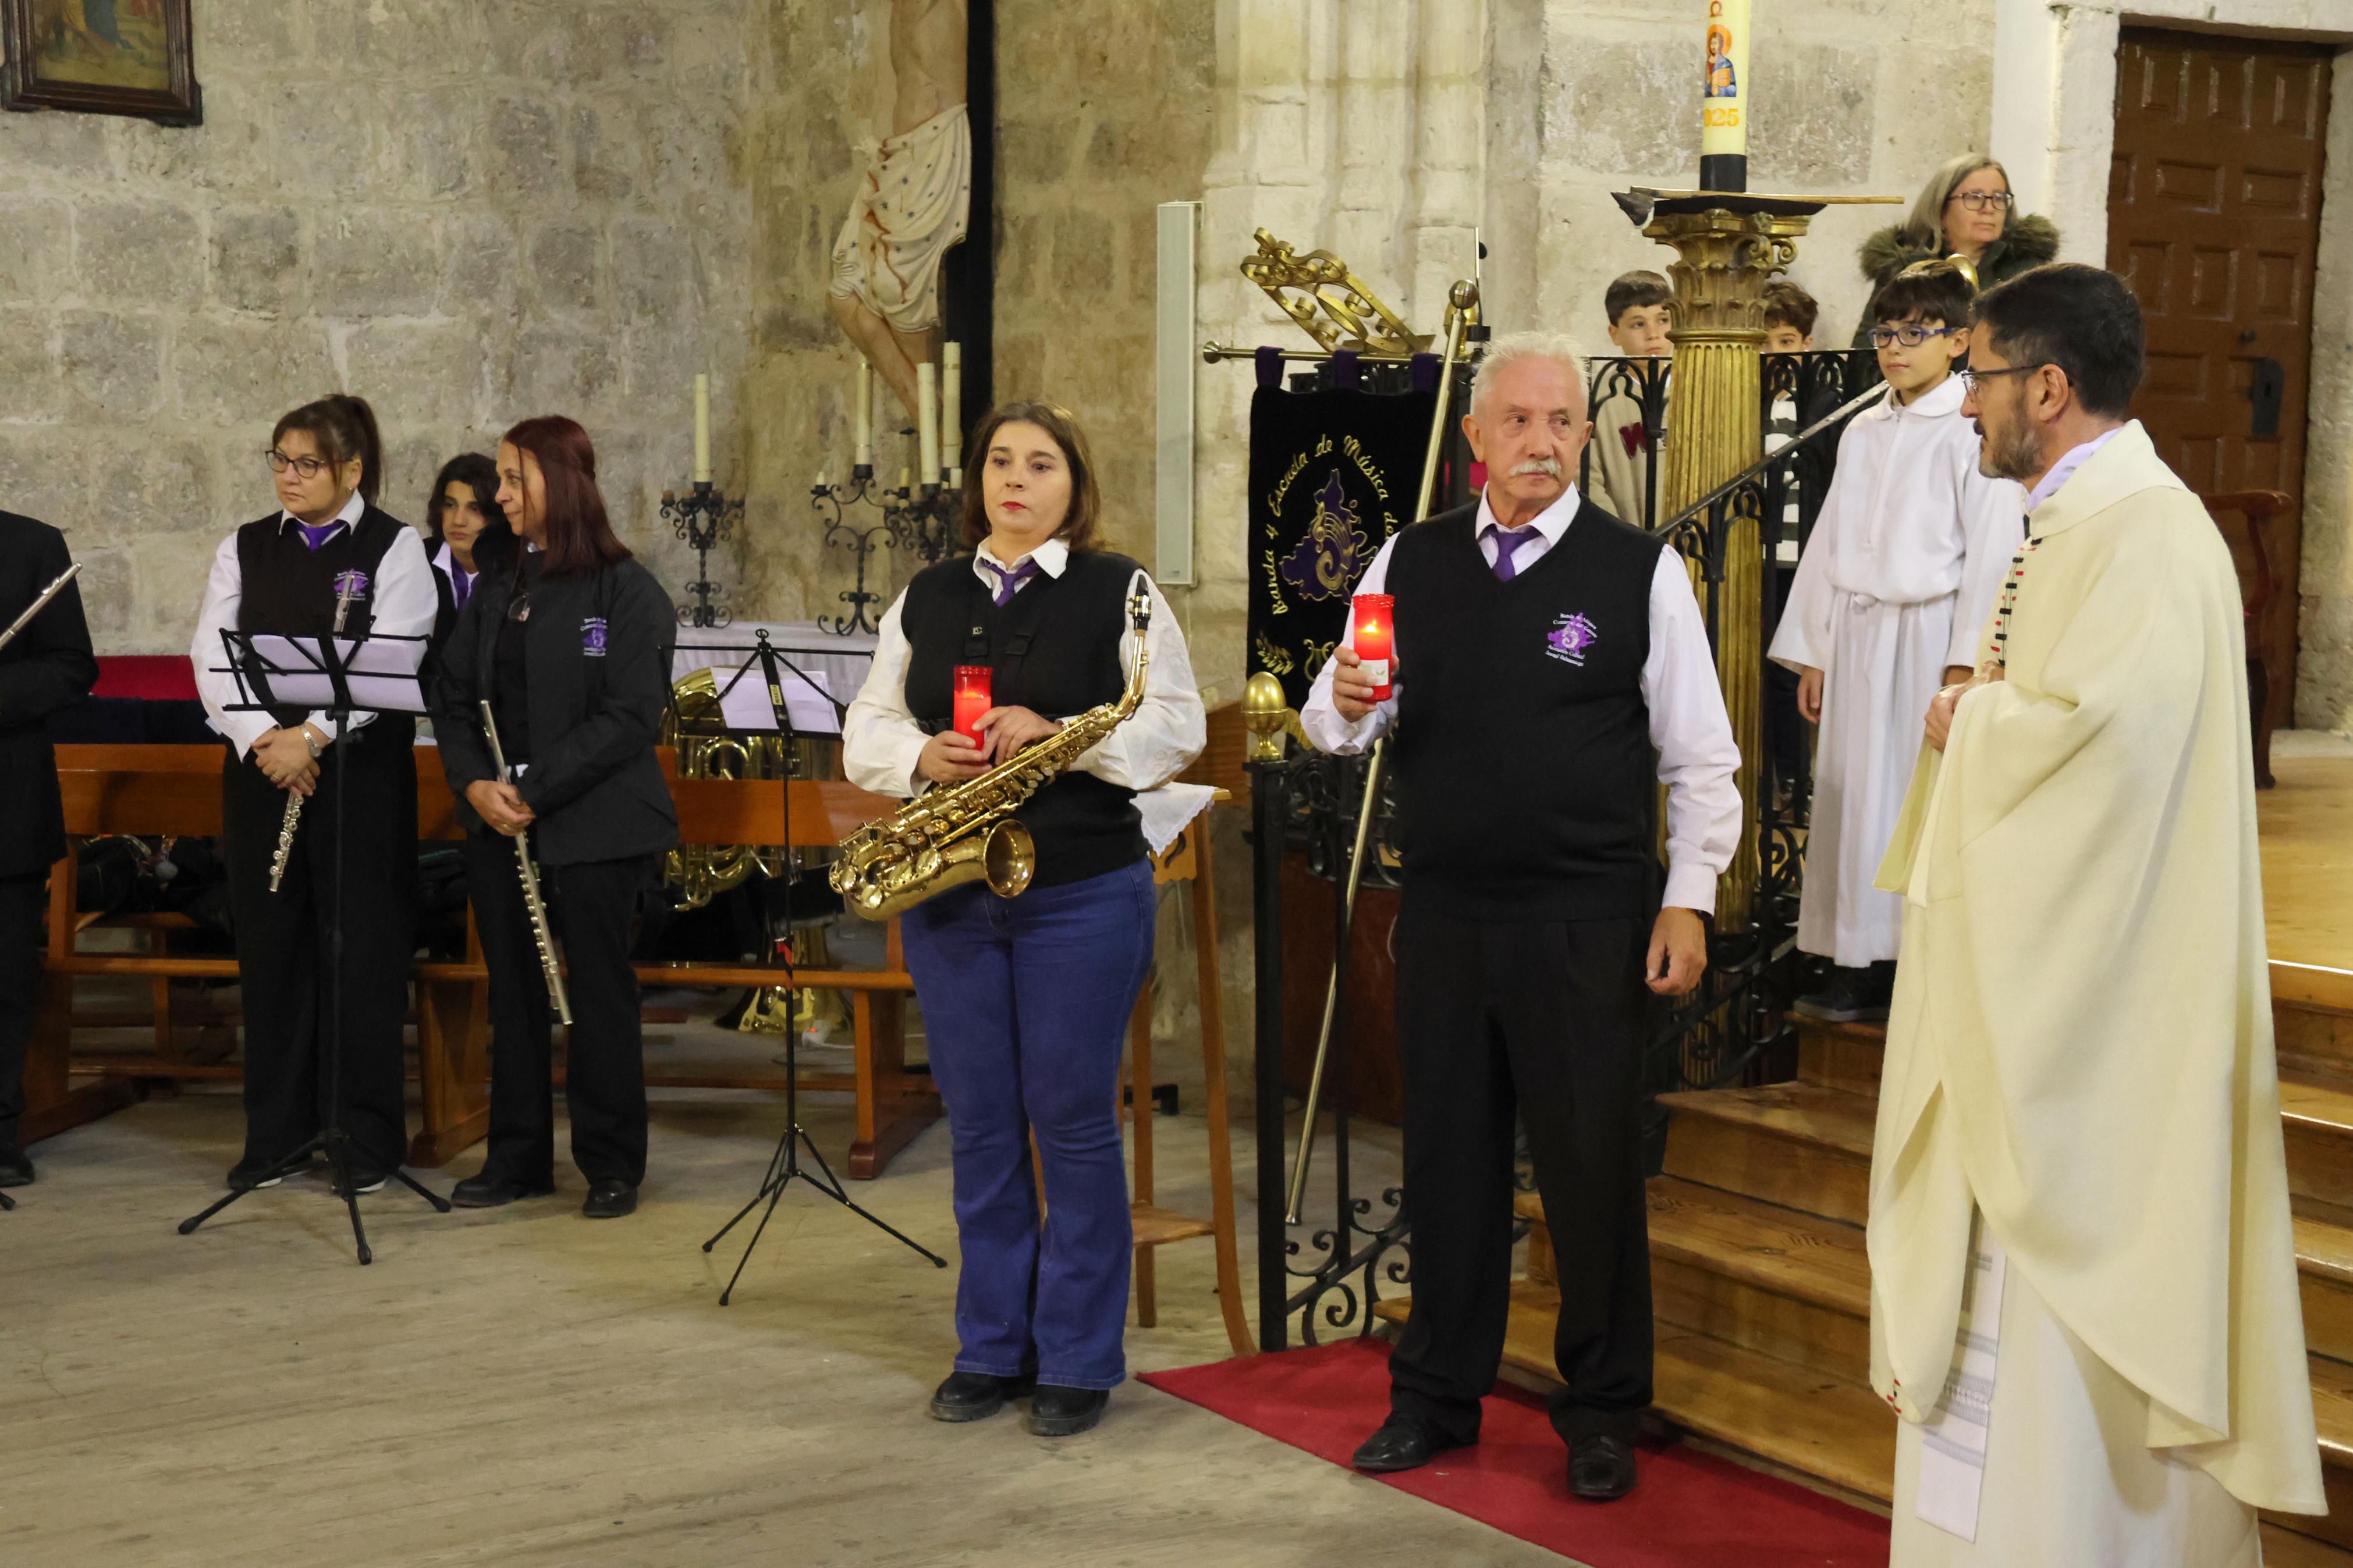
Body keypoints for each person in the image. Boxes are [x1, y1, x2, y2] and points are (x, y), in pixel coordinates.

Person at [1870, 262, 2323, 1563]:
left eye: (1981, 377)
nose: (1963, 407)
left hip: (2093, 1033)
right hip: (2030, 1004)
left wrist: (1971, 716)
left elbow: (2108, 764)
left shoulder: (2146, 535)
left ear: (2047, 388)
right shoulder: (2075, 521)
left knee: (2062, 1390)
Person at [1304, 333, 1741, 1501]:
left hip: (1582, 920)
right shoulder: (1406, 558)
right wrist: (1343, 698)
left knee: (1589, 1174)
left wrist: (1686, 902)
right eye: (1517, 421)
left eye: (1560, 422)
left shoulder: (1634, 571)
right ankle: (1434, 1396)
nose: (1539, 440)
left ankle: (1599, 1409)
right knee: (1444, 1166)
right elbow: (1332, 721)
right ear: (1474, 440)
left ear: (1583, 439)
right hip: (1445, 914)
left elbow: (1700, 759)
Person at [842, 400, 1205, 1439]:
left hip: (1080, 892)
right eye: (999, 461)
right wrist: (919, 756)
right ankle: (992, 1345)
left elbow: (1173, 724)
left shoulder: (1118, 589)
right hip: (955, 893)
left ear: (1071, 487)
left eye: (1039, 464)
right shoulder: (928, 594)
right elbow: (868, 722)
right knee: (984, 1122)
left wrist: (1062, 736)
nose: (1015, 479)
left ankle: (1081, 1357)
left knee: (1074, 1122)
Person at [432, 417, 679, 1221]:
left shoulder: (626, 590)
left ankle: (611, 1162)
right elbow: (454, 697)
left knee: (599, 989)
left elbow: (631, 714)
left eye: (512, 480)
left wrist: (536, 789)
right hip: (497, 822)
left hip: (595, 822)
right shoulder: (502, 584)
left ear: (560, 485)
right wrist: (474, 784)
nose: (498, 497)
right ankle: (517, 1157)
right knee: (514, 989)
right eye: (500, 480)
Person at [189, 394, 436, 1193]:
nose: (287, 477)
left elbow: (392, 656)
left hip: (357, 778)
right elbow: (212, 654)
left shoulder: (397, 549)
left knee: (358, 950)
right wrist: (267, 735)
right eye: (279, 459)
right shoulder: (246, 546)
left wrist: (316, 734)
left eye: (306, 464)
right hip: (265, 772)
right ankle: (277, 1136)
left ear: (350, 470)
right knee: (273, 950)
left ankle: (364, 1138)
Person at [1769, 262, 2022, 1022]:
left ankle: (1902, 964)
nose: (1894, 347)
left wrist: (1963, 658)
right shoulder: (1862, 426)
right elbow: (1829, 537)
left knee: (1905, 802)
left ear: (1955, 341)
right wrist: (1814, 647)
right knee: (1848, 798)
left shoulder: (1965, 426)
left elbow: (1990, 544)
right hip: (1856, 630)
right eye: (1885, 332)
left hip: (1924, 637)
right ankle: (1845, 957)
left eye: (1914, 332)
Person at [0, 511, 98, 1188]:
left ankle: (0, 1132)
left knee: (4, 980)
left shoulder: (33, 545)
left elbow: (71, 666)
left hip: (6, 802)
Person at [1851, 154, 2057, 347]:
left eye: (1999, 198)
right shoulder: (1902, 270)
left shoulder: (2028, 274)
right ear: (1941, 209)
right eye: (1975, 197)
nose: (1989, 208)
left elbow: (2046, 346)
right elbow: (1867, 347)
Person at [1590, 271, 1673, 529]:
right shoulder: (1600, 398)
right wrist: (1622, 537)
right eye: (1638, 324)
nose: (1653, 334)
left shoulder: (1699, 387)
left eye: (1663, 320)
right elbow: (1588, 481)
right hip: (1628, 539)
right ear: (1615, 334)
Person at [421, 453, 513, 645]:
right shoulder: (417, 558)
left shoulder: (514, 568)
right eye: (450, 505)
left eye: (474, 508)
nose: (458, 521)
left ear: (497, 513)